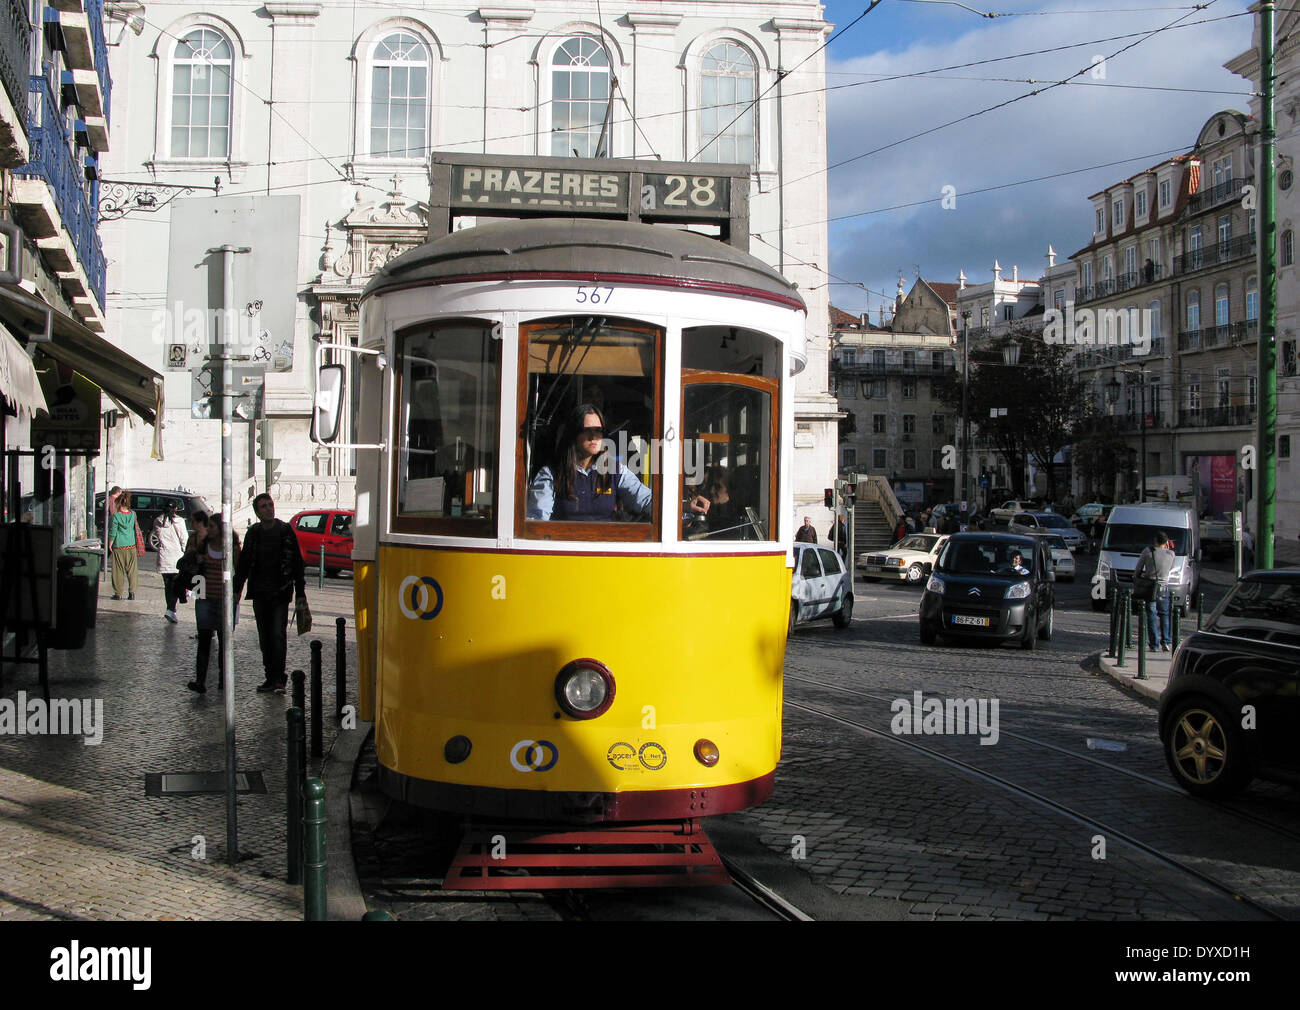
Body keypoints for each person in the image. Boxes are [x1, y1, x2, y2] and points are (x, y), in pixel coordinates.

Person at [233, 493, 308, 695]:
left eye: (270, 505)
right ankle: (270, 676)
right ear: (257, 512)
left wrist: (300, 592)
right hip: (259, 592)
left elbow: (297, 563)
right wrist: (236, 590)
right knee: (264, 637)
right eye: (264, 506)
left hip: (280, 592)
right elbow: (244, 563)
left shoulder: (285, 531)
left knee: (277, 635)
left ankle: (279, 679)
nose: (269, 509)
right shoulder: (253, 533)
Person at [189, 515, 241, 693]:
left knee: (224, 641)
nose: (208, 529)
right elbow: (195, 567)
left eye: (212, 526)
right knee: (204, 640)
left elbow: (239, 573)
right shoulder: (204, 545)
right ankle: (200, 680)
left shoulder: (232, 548)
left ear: (220, 528)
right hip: (204, 598)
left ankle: (223, 679)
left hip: (225, 601)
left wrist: (236, 596)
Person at [1135, 529, 1175, 651]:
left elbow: (1138, 569)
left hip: (1150, 587)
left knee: (1151, 615)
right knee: (1164, 615)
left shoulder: (1148, 551)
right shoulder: (1171, 554)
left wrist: (1138, 577)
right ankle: (1166, 641)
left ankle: (1154, 644)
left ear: (1155, 540)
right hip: (1164, 588)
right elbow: (1170, 569)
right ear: (1166, 542)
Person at [151, 501, 188, 623]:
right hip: (177, 556)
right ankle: (171, 609)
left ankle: (170, 609)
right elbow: (184, 539)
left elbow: (158, 535)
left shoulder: (157, 521)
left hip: (164, 556)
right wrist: (185, 552)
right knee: (176, 584)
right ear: (176, 508)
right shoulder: (180, 522)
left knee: (168, 586)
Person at [108, 491, 143, 600]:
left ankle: (118, 593)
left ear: (118, 503)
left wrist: (110, 544)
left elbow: (113, 531)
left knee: (118, 570)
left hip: (119, 545)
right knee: (132, 570)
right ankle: (132, 592)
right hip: (131, 545)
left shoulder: (116, 516)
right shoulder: (133, 514)